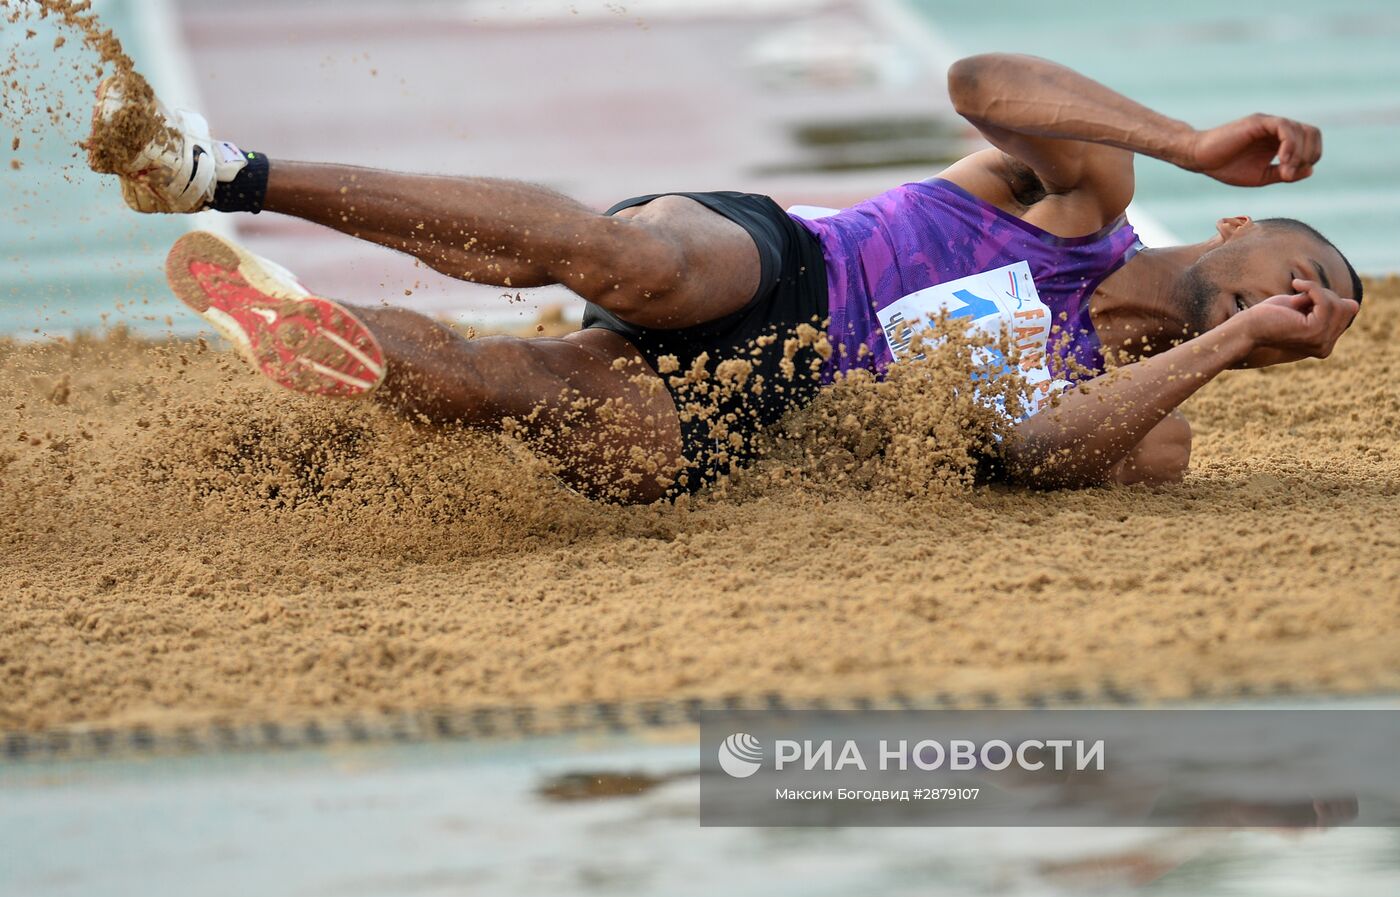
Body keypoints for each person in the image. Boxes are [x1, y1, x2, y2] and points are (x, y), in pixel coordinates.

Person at [88, 53, 1362, 503]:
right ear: (1239, 232)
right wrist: (1187, 141)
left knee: (517, 387)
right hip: (778, 269)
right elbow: (978, 82)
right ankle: (219, 173)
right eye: (1303, 270)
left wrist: (1218, 340)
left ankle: (317, 339)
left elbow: (1029, 453)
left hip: (762, 420)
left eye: (1309, 319)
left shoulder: (1156, 429)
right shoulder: (1087, 207)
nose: (1297, 302)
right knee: (625, 258)